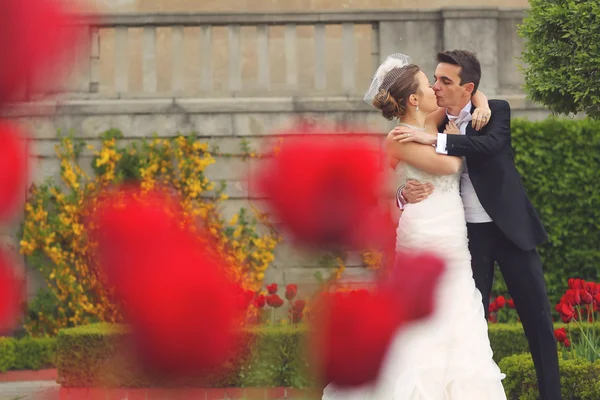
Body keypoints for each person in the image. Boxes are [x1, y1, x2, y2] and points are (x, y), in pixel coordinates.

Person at [321, 53, 507, 400]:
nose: (436, 88)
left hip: (454, 236)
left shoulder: (432, 122)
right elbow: (449, 168)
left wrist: (479, 101)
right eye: (428, 84)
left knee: (459, 312)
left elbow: (467, 97)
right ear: (413, 98)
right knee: (420, 321)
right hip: (423, 233)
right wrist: (404, 193)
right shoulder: (399, 137)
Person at [391, 50, 561, 400]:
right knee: (471, 326)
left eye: (445, 81)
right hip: (468, 238)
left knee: (538, 321)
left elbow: (489, 145)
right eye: (434, 79)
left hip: (511, 231)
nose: (436, 86)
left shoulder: (494, 111)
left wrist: (447, 132)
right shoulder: (430, 122)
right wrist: (401, 191)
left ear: (467, 88)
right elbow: (398, 168)